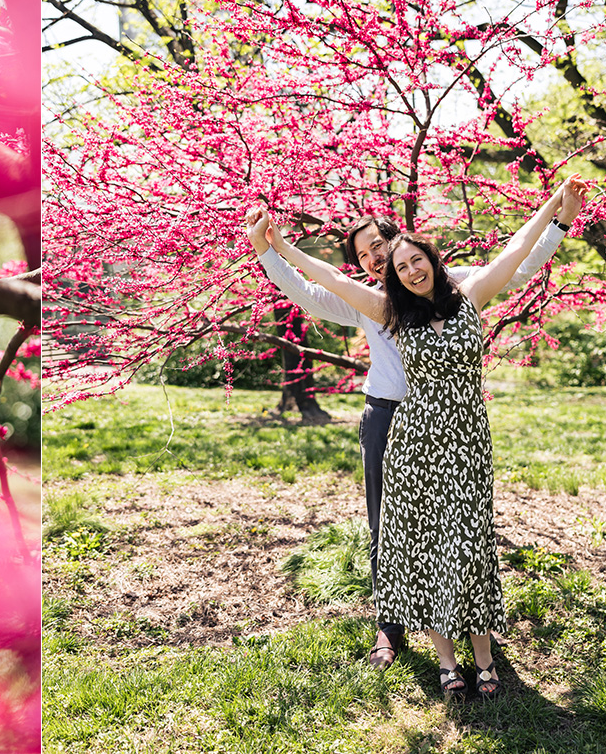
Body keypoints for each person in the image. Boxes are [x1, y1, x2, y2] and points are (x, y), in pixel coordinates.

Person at [247, 176, 587, 698]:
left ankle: (479, 649)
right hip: (399, 425)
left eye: (387, 251)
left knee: (468, 540)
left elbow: (518, 257)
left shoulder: (464, 290)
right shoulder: (379, 307)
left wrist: (556, 213)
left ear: (412, 248)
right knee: (405, 537)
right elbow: (318, 287)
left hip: (465, 436)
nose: (382, 262)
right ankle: (404, 632)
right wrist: (275, 248)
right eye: (367, 257)